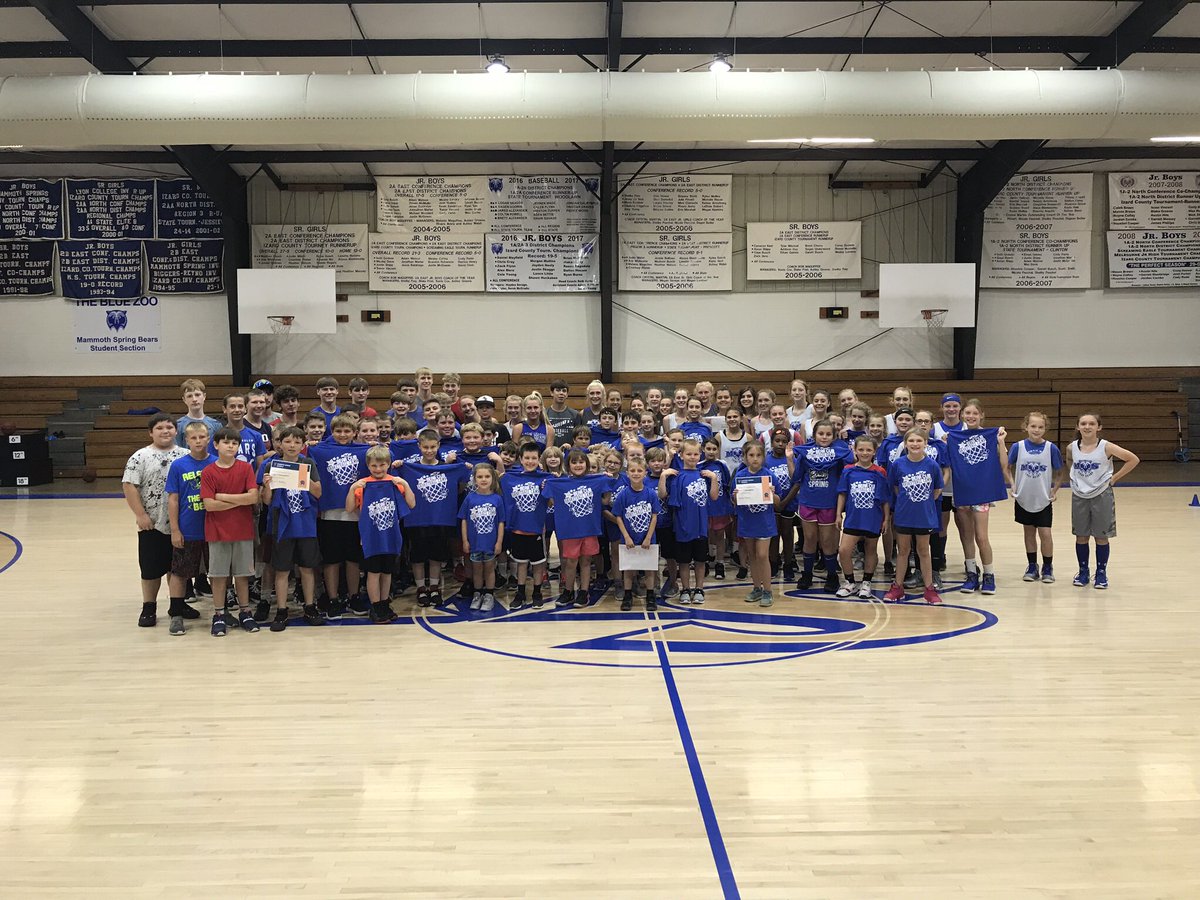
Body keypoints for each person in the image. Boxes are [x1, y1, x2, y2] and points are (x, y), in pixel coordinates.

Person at [124, 414, 187, 628]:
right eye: (159, 427)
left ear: (176, 431)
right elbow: (129, 486)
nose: (165, 431)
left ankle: (177, 604)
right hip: (152, 522)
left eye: (169, 427)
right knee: (151, 569)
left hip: (180, 523)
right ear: (151, 432)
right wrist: (140, 515)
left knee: (177, 567)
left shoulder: (185, 455)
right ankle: (149, 607)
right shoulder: (140, 457)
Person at [259, 425, 323, 630]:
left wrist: (300, 477)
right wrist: (267, 485)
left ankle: (310, 606)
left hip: (305, 525)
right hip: (282, 525)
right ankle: (281, 610)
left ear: (303, 445)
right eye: (287, 441)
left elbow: (318, 493)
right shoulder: (272, 465)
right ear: (279, 444)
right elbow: (267, 501)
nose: (292, 445)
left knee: (306, 568)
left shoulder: (308, 463)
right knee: (282, 570)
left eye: (297, 442)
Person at [1065, 413, 1140, 589]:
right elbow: (1069, 461)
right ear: (1078, 427)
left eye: (1092, 423)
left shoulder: (1106, 447)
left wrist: (1114, 478)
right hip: (1079, 495)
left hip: (1101, 495)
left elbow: (1132, 459)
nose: (1087, 426)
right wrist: (1074, 477)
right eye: (1083, 423)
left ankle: (1101, 573)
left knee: (1101, 536)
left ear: (1099, 427)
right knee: (1081, 535)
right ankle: (1083, 571)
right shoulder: (1072, 447)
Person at [399, 429, 473, 607]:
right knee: (417, 556)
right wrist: (398, 464)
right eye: (425, 447)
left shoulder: (446, 467)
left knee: (436, 556)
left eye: (433, 447)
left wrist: (465, 467)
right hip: (417, 519)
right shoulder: (410, 467)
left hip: (440, 519)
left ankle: (434, 587)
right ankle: (420, 588)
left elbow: (461, 484)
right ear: (419, 446)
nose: (429, 450)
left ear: (438, 446)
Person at [307, 414, 370, 619]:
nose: (343, 435)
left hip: (356, 514)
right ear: (331, 432)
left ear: (354, 433)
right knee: (331, 560)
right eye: (338, 431)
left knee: (353, 559)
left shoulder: (365, 451)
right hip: (329, 513)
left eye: (347, 431)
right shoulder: (318, 450)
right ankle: (332, 598)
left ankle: (353, 596)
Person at [201, 426, 262, 635]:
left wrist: (222, 496)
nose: (231, 446)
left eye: (234, 443)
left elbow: (253, 497)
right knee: (218, 576)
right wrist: (239, 500)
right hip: (217, 531)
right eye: (226, 442)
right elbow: (209, 505)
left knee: (243, 575)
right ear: (216, 445)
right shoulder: (209, 471)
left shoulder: (245, 469)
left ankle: (245, 612)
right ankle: (219, 614)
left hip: (243, 530)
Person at [945, 399, 1009, 595]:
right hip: (962, 491)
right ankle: (971, 573)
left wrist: (1001, 442)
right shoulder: (954, 437)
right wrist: (944, 442)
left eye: (975, 413)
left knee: (981, 537)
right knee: (966, 536)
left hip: (981, 493)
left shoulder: (991, 435)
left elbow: (1003, 465)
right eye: (968, 413)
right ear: (963, 415)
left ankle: (989, 574)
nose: (971, 416)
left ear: (981, 415)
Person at [347, 446, 414, 622]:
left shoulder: (395, 483)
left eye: (382, 465)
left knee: (387, 572)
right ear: (368, 466)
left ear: (389, 464)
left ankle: (384, 603)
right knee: (373, 573)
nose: (378, 469)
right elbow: (349, 508)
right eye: (374, 466)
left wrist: (405, 484)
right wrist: (352, 487)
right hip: (370, 537)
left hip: (391, 535)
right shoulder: (363, 485)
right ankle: (375, 606)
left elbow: (412, 504)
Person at [788, 420, 853, 594]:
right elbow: (796, 477)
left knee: (827, 541)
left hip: (829, 503)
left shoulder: (840, 453)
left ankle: (832, 575)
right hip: (808, 502)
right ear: (814, 435)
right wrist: (789, 459)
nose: (824, 437)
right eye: (821, 434)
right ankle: (807, 574)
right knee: (809, 539)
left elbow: (850, 468)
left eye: (828, 434)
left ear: (834, 436)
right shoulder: (805, 452)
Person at [542, 450, 611, 608]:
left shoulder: (596, 480)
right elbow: (551, 503)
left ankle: (583, 592)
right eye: (574, 462)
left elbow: (606, 500)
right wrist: (548, 485)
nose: (578, 465)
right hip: (570, 530)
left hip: (589, 528)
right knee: (571, 562)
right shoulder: (561, 483)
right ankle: (568, 591)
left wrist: (605, 482)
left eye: (581, 462)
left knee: (586, 561)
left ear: (586, 464)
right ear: (568, 465)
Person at [164, 421, 215, 635]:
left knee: (218, 571)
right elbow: (173, 500)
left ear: (209, 439)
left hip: (214, 528)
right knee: (180, 572)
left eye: (202, 437)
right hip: (188, 528)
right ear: (186, 440)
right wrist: (175, 529)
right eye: (193, 438)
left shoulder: (216, 463)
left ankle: (220, 612)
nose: (198, 441)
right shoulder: (178, 465)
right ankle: (176, 613)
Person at [884, 428, 944, 605]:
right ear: (906, 444)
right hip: (904, 514)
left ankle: (929, 589)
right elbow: (895, 487)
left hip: (924, 515)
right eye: (911, 441)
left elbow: (937, 489)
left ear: (926, 443)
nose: (915, 444)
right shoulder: (898, 464)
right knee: (903, 551)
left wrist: (922, 501)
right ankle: (897, 587)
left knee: (924, 551)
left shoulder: (932, 465)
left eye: (919, 441)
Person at [659, 437, 721, 605]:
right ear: (681, 455)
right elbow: (662, 495)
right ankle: (685, 589)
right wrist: (663, 476)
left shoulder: (704, 475)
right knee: (684, 561)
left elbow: (714, 497)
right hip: (682, 526)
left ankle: (699, 588)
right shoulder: (677, 475)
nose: (692, 457)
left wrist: (714, 479)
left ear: (700, 454)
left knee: (700, 560)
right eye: (689, 454)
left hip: (701, 526)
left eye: (695, 454)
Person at [1007, 411, 1065, 584]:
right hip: (1024, 497)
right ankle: (1032, 566)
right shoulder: (1018, 446)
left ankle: (1048, 566)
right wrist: (1012, 484)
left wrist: (1055, 490)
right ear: (1026, 427)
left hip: (1043, 498)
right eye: (1033, 426)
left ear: (1045, 428)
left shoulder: (1050, 448)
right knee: (1029, 533)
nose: (1037, 430)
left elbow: (1060, 472)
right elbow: (1007, 467)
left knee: (1045, 533)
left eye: (1040, 427)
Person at [835, 436, 891, 600]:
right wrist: (838, 514)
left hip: (873, 517)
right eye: (861, 449)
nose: (865, 453)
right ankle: (850, 582)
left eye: (868, 450)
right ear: (855, 450)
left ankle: (866, 582)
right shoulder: (848, 470)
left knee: (870, 550)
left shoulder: (879, 472)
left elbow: (885, 499)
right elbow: (842, 494)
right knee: (844, 550)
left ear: (874, 451)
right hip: (853, 517)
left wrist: (886, 519)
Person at [732, 441, 783, 607]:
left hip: (764, 522)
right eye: (751, 455)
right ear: (745, 457)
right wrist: (735, 496)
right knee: (752, 556)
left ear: (764, 457)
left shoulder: (769, 475)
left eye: (759, 455)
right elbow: (734, 501)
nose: (755, 459)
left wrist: (772, 493)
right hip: (747, 521)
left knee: (762, 555)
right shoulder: (740, 476)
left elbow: (778, 502)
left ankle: (768, 590)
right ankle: (756, 588)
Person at [610, 457, 663, 611]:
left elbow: (654, 516)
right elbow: (618, 516)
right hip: (629, 538)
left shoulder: (651, 494)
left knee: (649, 569)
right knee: (629, 569)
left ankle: (650, 595)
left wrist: (648, 537)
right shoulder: (624, 495)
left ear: (645, 473)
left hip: (648, 539)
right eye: (632, 470)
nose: (636, 473)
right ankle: (627, 595)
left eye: (639, 470)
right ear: (627, 473)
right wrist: (626, 536)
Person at [503, 443, 551, 610]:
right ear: (520, 460)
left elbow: (552, 501)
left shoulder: (546, 479)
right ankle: (520, 592)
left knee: (538, 564)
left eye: (534, 458)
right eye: (527, 458)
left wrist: (548, 490)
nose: (530, 461)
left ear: (539, 460)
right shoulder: (508, 478)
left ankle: (537, 592)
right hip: (517, 528)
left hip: (537, 529)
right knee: (521, 563)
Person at [457, 463, 506, 612]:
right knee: (476, 570)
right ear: (474, 479)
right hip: (474, 543)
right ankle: (477, 593)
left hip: (490, 543)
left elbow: (501, 523)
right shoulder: (469, 498)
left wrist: (499, 542)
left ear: (493, 478)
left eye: (487, 476)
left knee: (490, 569)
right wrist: (465, 540)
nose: (483, 479)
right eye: (480, 477)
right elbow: (464, 520)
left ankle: (489, 594)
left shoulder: (497, 499)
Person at [701, 436, 734, 581]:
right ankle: (708, 559)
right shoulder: (699, 466)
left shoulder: (722, 465)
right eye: (708, 448)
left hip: (720, 505)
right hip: (705, 507)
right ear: (703, 449)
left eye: (714, 449)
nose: (711, 452)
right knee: (707, 534)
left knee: (720, 534)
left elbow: (727, 485)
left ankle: (720, 563)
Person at [175, 379, 222, 449]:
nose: (194, 399)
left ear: (204, 396)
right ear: (184, 399)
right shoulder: (178, 425)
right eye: (189, 396)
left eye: (197, 395)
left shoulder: (216, 425)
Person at [545, 379, 581, 447]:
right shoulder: (545, 414)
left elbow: (578, 437)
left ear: (567, 394)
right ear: (551, 393)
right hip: (550, 454)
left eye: (564, 391)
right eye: (558, 390)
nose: (561, 393)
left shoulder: (575, 414)